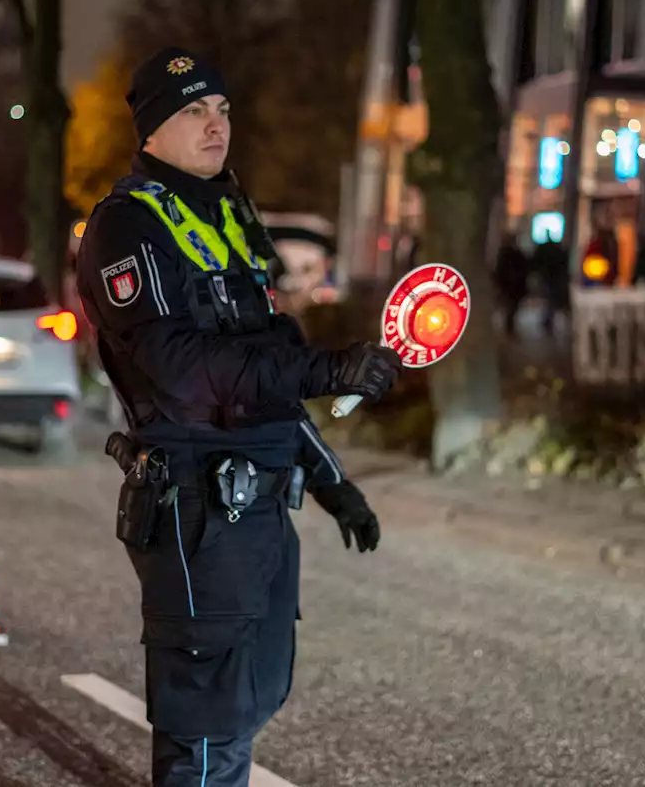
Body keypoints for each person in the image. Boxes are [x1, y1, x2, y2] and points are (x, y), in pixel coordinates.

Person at [75, 46, 402, 787]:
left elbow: (265, 370)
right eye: (193, 110)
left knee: (247, 700)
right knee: (204, 717)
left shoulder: (227, 211)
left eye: (222, 109)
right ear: (152, 128)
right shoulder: (127, 228)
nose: (215, 124)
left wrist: (330, 482)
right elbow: (185, 370)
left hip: (256, 506)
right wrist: (327, 369)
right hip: (195, 506)